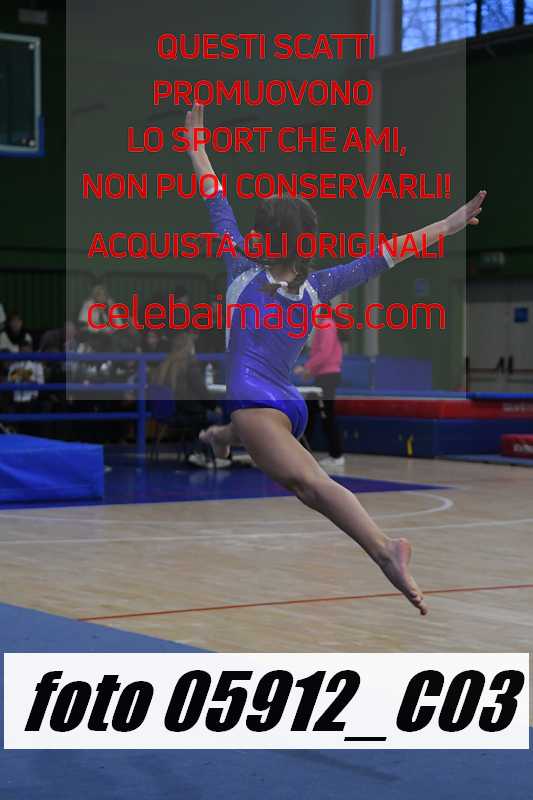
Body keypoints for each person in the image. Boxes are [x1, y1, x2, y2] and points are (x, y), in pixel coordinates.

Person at [187, 102, 485, 615]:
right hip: (287, 405)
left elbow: (215, 197)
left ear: (265, 238)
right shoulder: (319, 286)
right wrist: (449, 224)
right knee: (256, 441)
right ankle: (219, 436)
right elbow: (391, 251)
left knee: (313, 486)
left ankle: (385, 550)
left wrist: (197, 146)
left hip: (254, 401)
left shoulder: (240, 267)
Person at [295, 305, 345, 469]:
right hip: (323, 377)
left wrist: (307, 368)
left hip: (327, 378)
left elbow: (324, 353)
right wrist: (310, 370)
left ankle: (336, 455)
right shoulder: (324, 325)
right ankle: (301, 453)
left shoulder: (327, 325)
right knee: (309, 413)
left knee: (326, 415)